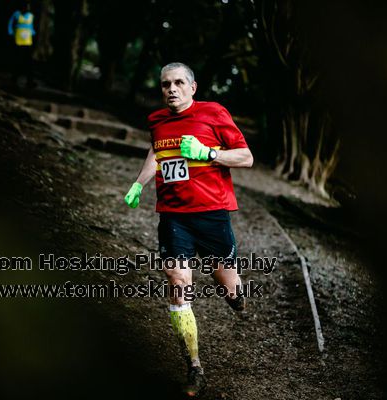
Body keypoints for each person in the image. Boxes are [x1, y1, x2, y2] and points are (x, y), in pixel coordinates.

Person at [124, 62, 253, 397]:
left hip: (212, 215)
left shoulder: (213, 113)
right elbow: (157, 150)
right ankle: (194, 366)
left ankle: (238, 300)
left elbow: (246, 157)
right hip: (173, 216)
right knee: (178, 282)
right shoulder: (156, 121)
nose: (172, 89)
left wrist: (209, 153)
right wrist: (139, 183)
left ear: (192, 87)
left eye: (179, 83)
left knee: (228, 287)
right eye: (165, 84)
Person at [7, 2, 36, 89]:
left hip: (28, 41)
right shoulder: (16, 14)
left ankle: (29, 81)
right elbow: (10, 23)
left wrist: (33, 33)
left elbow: (31, 26)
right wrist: (11, 32)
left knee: (29, 62)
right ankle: (14, 79)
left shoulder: (31, 15)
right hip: (18, 40)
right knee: (18, 60)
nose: (27, 7)